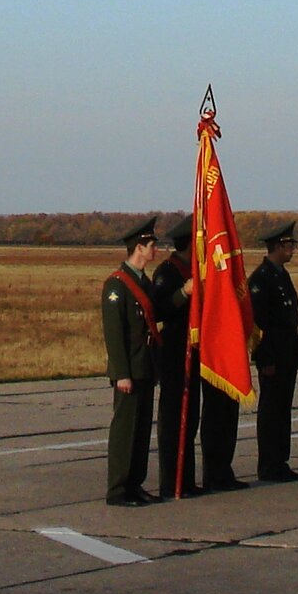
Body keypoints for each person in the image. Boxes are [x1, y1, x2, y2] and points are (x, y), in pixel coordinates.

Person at [101, 216, 163, 506]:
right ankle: (118, 489)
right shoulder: (117, 285)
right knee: (125, 431)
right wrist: (122, 373)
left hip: (146, 366)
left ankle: (135, 484)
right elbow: (114, 335)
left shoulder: (144, 282)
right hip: (130, 370)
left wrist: (183, 293)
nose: (156, 251)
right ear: (139, 247)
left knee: (140, 432)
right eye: (152, 245)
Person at [248, 221, 298, 482]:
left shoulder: (281, 275)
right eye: (289, 245)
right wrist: (265, 359)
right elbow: (260, 324)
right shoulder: (261, 279)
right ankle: (269, 464)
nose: (293, 250)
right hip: (273, 356)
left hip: (287, 354)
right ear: (279, 246)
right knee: (271, 411)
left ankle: (280, 460)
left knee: (282, 410)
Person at [151, 214, 203, 498]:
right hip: (174, 350)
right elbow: (159, 310)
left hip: (194, 350)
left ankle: (187, 478)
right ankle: (172, 480)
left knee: (190, 416)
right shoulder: (168, 272)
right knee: (174, 418)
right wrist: (184, 293)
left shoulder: (194, 269)